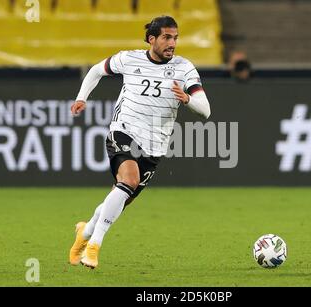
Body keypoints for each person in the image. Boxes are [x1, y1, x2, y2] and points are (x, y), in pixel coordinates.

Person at [68, 15, 211, 269]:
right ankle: (94, 246)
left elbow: (205, 110)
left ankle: (85, 231)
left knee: (121, 196)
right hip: (124, 131)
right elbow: (96, 70)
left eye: (175, 38)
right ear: (151, 39)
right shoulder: (128, 58)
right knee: (129, 180)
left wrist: (188, 100)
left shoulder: (184, 68)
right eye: (167, 37)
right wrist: (82, 97)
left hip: (155, 145)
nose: (172, 43)